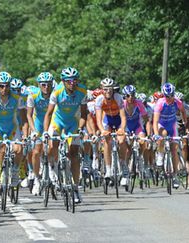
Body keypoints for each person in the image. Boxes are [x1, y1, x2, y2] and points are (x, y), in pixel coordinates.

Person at [43, 67, 87, 203]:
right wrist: (45, 132)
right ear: (63, 81)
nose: (72, 83)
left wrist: (80, 129)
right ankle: (53, 167)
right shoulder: (57, 92)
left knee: (74, 154)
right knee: (52, 147)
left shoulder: (82, 91)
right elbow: (49, 114)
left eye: (75, 80)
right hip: (58, 122)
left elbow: (84, 114)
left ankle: (75, 187)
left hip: (73, 123)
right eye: (69, 81)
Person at [0, 71, 28, 199]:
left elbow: (24, 119)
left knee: (18, 149)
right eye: (1, 86)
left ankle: (15, 171)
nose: (4, 89)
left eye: (7, 86)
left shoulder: (17, 98)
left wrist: (25, 135)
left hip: (12, 128)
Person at [153, 83, 188, 189]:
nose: (170, 98)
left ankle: (175, 176)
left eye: (171, 95)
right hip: (161, 124)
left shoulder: (178, 102)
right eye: (167, 96)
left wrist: (184, 123)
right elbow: (155, 121)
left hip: (172, 125)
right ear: (164, 95)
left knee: (174, 149)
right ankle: (160, 155)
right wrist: (155, 134)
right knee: (162, 134)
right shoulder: (160, 103)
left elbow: (183, 112)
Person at [95, 78, 128, 184]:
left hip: (118, 120)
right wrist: (102, 130)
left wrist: (122, 128)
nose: (108, 92)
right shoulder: (99, 99)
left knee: (122, 141)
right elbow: (99, 119)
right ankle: (108, 170)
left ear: (113, 90)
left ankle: (123, 167)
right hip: (108, 120)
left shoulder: (118, 98)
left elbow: (123, 117)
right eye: (105, 89)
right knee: (106, 140)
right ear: (101, 90)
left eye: (110, 89)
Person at [26, 72, 53, 195]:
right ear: (39, 85)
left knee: (54, 148)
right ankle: (37, 179)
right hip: (38, 124)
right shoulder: (33, 95)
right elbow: (29, 115)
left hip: (52, 122)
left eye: (49, 84)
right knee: (36, 151)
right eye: (43, 85)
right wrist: (34, 131)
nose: (46, 87)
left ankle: (54, 171)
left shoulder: (55, 94)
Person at [122, 85, 150, 185]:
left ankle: (143, 161)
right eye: (128, 95)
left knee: (144, 142)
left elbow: (146, 120)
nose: (131, 98)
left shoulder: (139, 104)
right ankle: (125, 171)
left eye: (133, 95)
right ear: (124, 96)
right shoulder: (122, 104)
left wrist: (149, 135)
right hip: (126, 127)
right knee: (127, 149)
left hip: (137, 126)